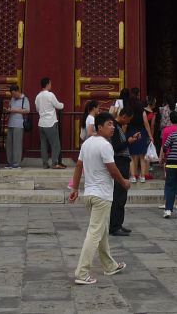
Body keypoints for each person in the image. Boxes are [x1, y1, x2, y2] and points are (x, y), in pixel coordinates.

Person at [68, 112, 129, 286]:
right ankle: (82, 272)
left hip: (89, 194)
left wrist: (75, 188)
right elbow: (112, 169)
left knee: (101, 231)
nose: (113, 128)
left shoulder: (87, 143)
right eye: (109, 124)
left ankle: (110, 265)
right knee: (95, 233)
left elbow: (79, 166)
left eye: (113, 124)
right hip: (102, 195)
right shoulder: (105, 145)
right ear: (99, 127)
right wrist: (124, 182)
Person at [108, 106, 133, 236]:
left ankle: (119, 223)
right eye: (128, 119)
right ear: (123, 116)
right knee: (118, 195)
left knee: (122, 196)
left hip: (123, 162)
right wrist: (128, 141)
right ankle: (114, 226)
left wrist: (130, 140)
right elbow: (116, 146)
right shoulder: (115, 128)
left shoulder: (119, 128)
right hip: (119, 162)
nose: (128, 122)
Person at [35, 77, 66, 169]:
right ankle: (54, 162)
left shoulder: (38, 96)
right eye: (50, 83)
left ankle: (45, 163)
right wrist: (63, 105)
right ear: (47, 84)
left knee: (43, 144)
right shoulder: (50, 95)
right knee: (55, 144)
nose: (51, 85)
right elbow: (58, 106)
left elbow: (37, 109)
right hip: (50, 122)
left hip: (41, 123)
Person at [125, 98, 150, 182]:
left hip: (131, 132)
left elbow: (125, 123)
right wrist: (150, 135)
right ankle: (142, 176)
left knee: (132, 156)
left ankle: (133, 176)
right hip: (141, 132)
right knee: (142, 156)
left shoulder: (129, 111)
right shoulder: (142, 111)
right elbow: (146, 123)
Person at [5, 84, 30, 169]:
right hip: (11, 123)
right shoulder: (12, 99)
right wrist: (8, 110)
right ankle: (10, 162)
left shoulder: (24, 99)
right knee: (9, 144)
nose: (13, 95)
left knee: (17, 144)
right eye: (12, 94)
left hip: (19, 124)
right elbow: (10, 108)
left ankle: (16, 163)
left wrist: (14, 110)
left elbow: (27, 110)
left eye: (14, 93)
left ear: (17, 91)